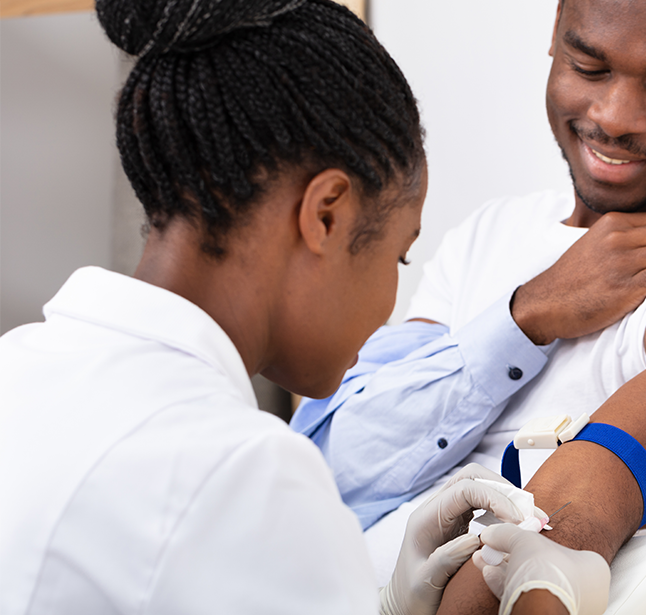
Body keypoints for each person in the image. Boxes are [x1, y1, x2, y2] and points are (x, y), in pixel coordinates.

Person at [0, 1, 608, 613]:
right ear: (326, 215)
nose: (390, 304)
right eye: (399, 257)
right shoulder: (247, 476)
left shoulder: (19, 368)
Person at [288, 0, 646, 612]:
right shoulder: (490, 234)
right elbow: (324, 472)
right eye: (588, 66)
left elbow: (546, 543)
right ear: (556, 34)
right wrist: (525, 315)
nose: (615, 116)